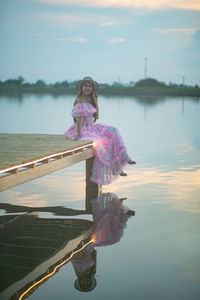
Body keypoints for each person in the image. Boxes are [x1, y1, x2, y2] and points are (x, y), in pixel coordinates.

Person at [65, 76, 136, 185]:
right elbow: (79, 120)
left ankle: (124, 158)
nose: (87, 88)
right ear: (81, 88)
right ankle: (116, 169)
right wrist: (78, 135)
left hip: (92, 126)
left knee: (113, 131)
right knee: (102, 142)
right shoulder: (80, 100)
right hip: (83, 129)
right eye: (85, 86)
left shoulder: (90, 98)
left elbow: (92, 117)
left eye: (90, 86)